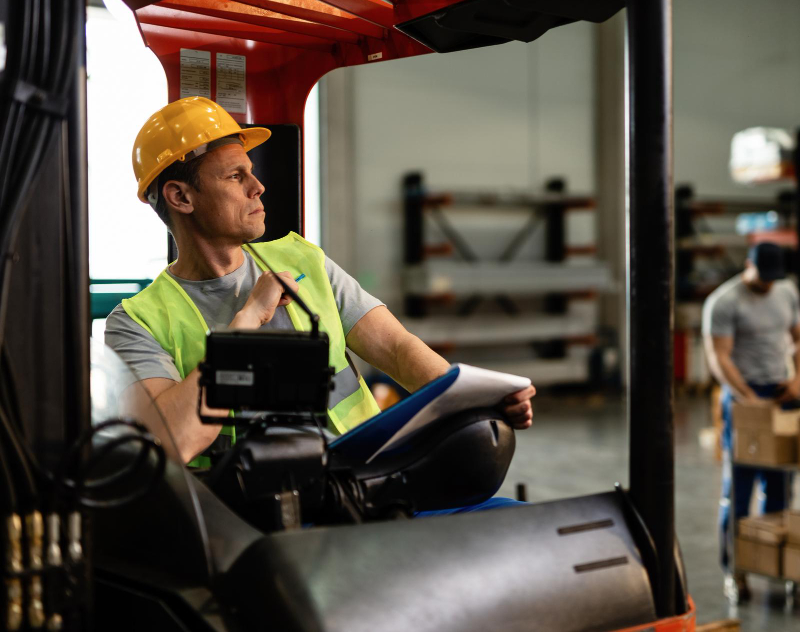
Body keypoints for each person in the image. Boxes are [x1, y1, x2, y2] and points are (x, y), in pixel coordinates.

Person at [105, 97, 535, 478]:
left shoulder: (301, 259)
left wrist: (472, 399)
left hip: (366, 474)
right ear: (180, 197)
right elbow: (170, 442)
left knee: (483, 445)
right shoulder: (137, 322)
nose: (258, 187)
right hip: (251, 505)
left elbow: (398, 349)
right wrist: (245, 326)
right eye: (236, 177)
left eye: (251, 173)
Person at [702, 242, 800, 595]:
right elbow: (719, 358)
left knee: (780, 485)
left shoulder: (787, 291)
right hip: (745, 399)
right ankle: (735, 571)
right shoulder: (724, 301)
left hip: (781, 394)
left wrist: (797, 381)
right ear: (748, 265)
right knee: (740, 487)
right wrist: (748, 399)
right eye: (762, 277)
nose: (768, 284)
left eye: (773, 279)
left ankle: (775, 564)